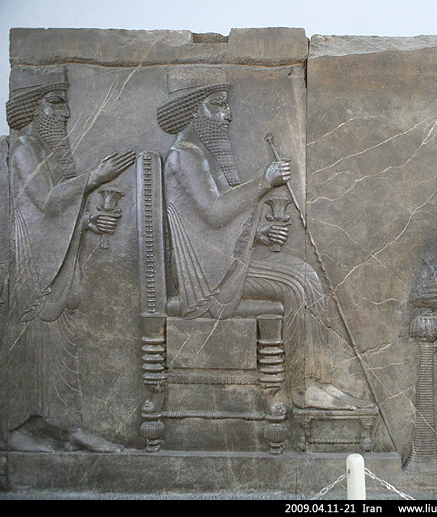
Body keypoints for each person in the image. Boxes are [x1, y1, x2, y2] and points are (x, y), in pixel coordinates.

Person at [157, 67, 373, 410]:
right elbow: (214, 212)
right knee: (298, 282)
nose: (228, 114)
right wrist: (264, 180)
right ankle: (304, 387)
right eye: (219, 105)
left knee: (304, 277)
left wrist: (257, 233)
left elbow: (207, 223)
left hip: (221, 262)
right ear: (194, 110)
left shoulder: (198, 153)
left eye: (226, 104)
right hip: (208, 278)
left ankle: (316, 380)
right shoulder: (185, 155)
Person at [3, 66, 135, 452]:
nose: (65, 112)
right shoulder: (25, 149)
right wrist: (95, 177)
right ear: (32, 106)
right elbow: (46, 202)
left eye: (64, 103)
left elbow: (53, 213)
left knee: (63, 345)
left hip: (53, 261)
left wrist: (89, 221)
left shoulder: (44, 151)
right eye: (55, 102)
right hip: (34, 266)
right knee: (31, 343)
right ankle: (17, 429)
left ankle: (68, 426)